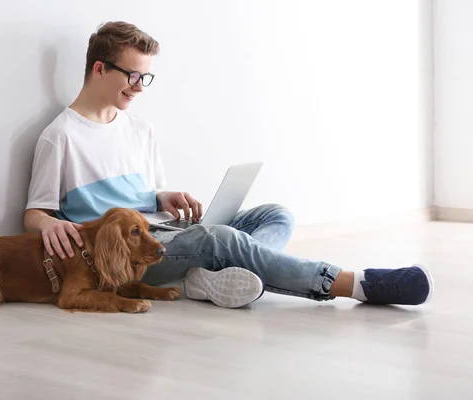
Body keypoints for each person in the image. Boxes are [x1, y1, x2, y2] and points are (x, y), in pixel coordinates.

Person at [23, 21, 433, 309]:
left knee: (275, 214)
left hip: (161, 233)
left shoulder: (140, 130)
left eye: (145, 78)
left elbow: (145, 199)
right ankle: (354, 283)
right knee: (219, 239)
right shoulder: (61, 136)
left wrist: (163, 196)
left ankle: (207, 280)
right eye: (133, 75)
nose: (139, 87)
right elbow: (33, 214)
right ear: (99, 68)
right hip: (125, 255)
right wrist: (48, 223)